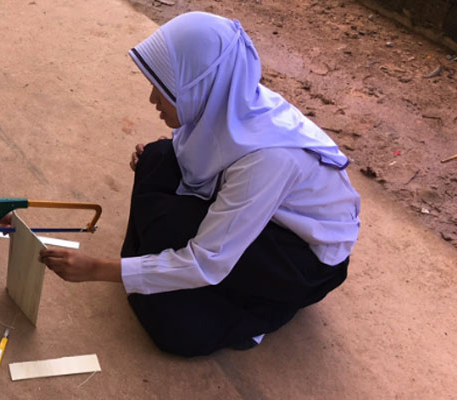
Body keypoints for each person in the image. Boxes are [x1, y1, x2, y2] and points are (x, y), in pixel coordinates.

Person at [40, 12, 360, 356]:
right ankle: (152, 269)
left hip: (301, 259)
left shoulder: (268, 159)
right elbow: (198, 151)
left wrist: (97, 269)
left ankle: (267, 310)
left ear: (198, 87)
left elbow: (205, 263)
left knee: (175, 327)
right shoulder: (228, 98)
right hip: (264, 213)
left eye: (164, 91)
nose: (152, 100)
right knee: (157, 159)